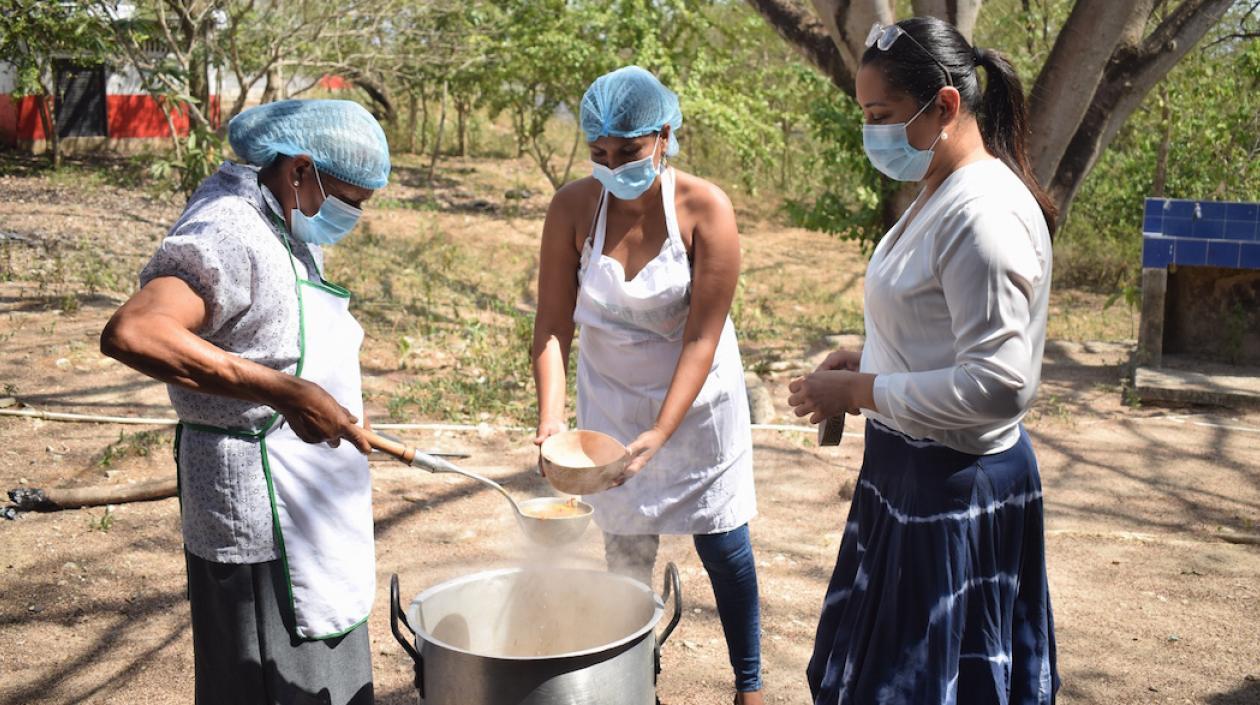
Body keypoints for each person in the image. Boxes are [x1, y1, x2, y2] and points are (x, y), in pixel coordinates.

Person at [787, 17, 1060, 705]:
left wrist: (860, 388)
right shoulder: (942, 188)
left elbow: (997, 386)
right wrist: (870, 357)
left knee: (924, 683)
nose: (871, 132)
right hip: (907, 473)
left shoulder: (985, 216)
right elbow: (939, 327)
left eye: (880, 115)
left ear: (944, 106)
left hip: (954, 485)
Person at [100, 99, 389, 705]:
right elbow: (136, 331)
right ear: (300, 170)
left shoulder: (278, 217)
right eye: (347, 203)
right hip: (261, 514)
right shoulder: (228, 228)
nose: (350, 218)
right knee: (266, 683)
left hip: (308, 501)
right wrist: (282, 391)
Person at [530, 66, 763, 704]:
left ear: (663, 135)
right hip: (611, 397)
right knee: (626, 546)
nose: (612, 167)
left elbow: (700, 337)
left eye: (628, 153)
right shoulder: (574, 208)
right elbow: (552, 329)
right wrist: (553, 421)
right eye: (598, 154)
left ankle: (751, 684)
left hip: (696, 401)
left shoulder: (704, 208)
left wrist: (662, 431)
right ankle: (636, 679)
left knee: (723, 541)